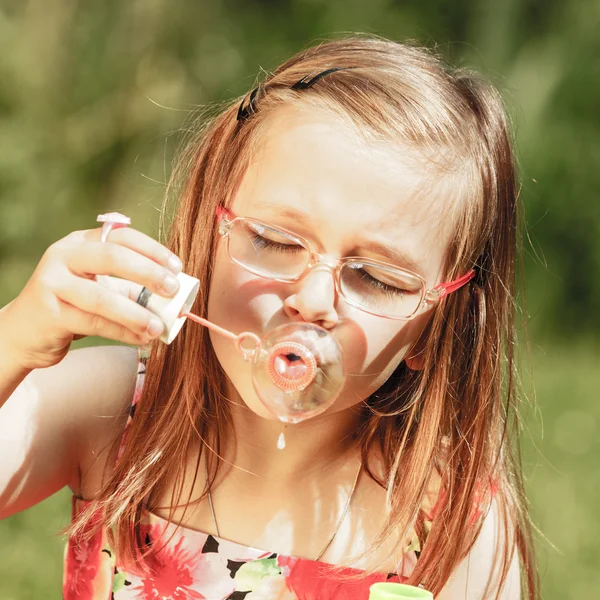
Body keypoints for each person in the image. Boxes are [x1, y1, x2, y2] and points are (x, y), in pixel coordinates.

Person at [0, 35, 539, 599]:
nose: (312, 298)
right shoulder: (117, 412)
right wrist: (17, 337)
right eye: (274, 240)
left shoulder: (444, 521)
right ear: (213, 230)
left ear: (438, 325)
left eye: (379, 279)